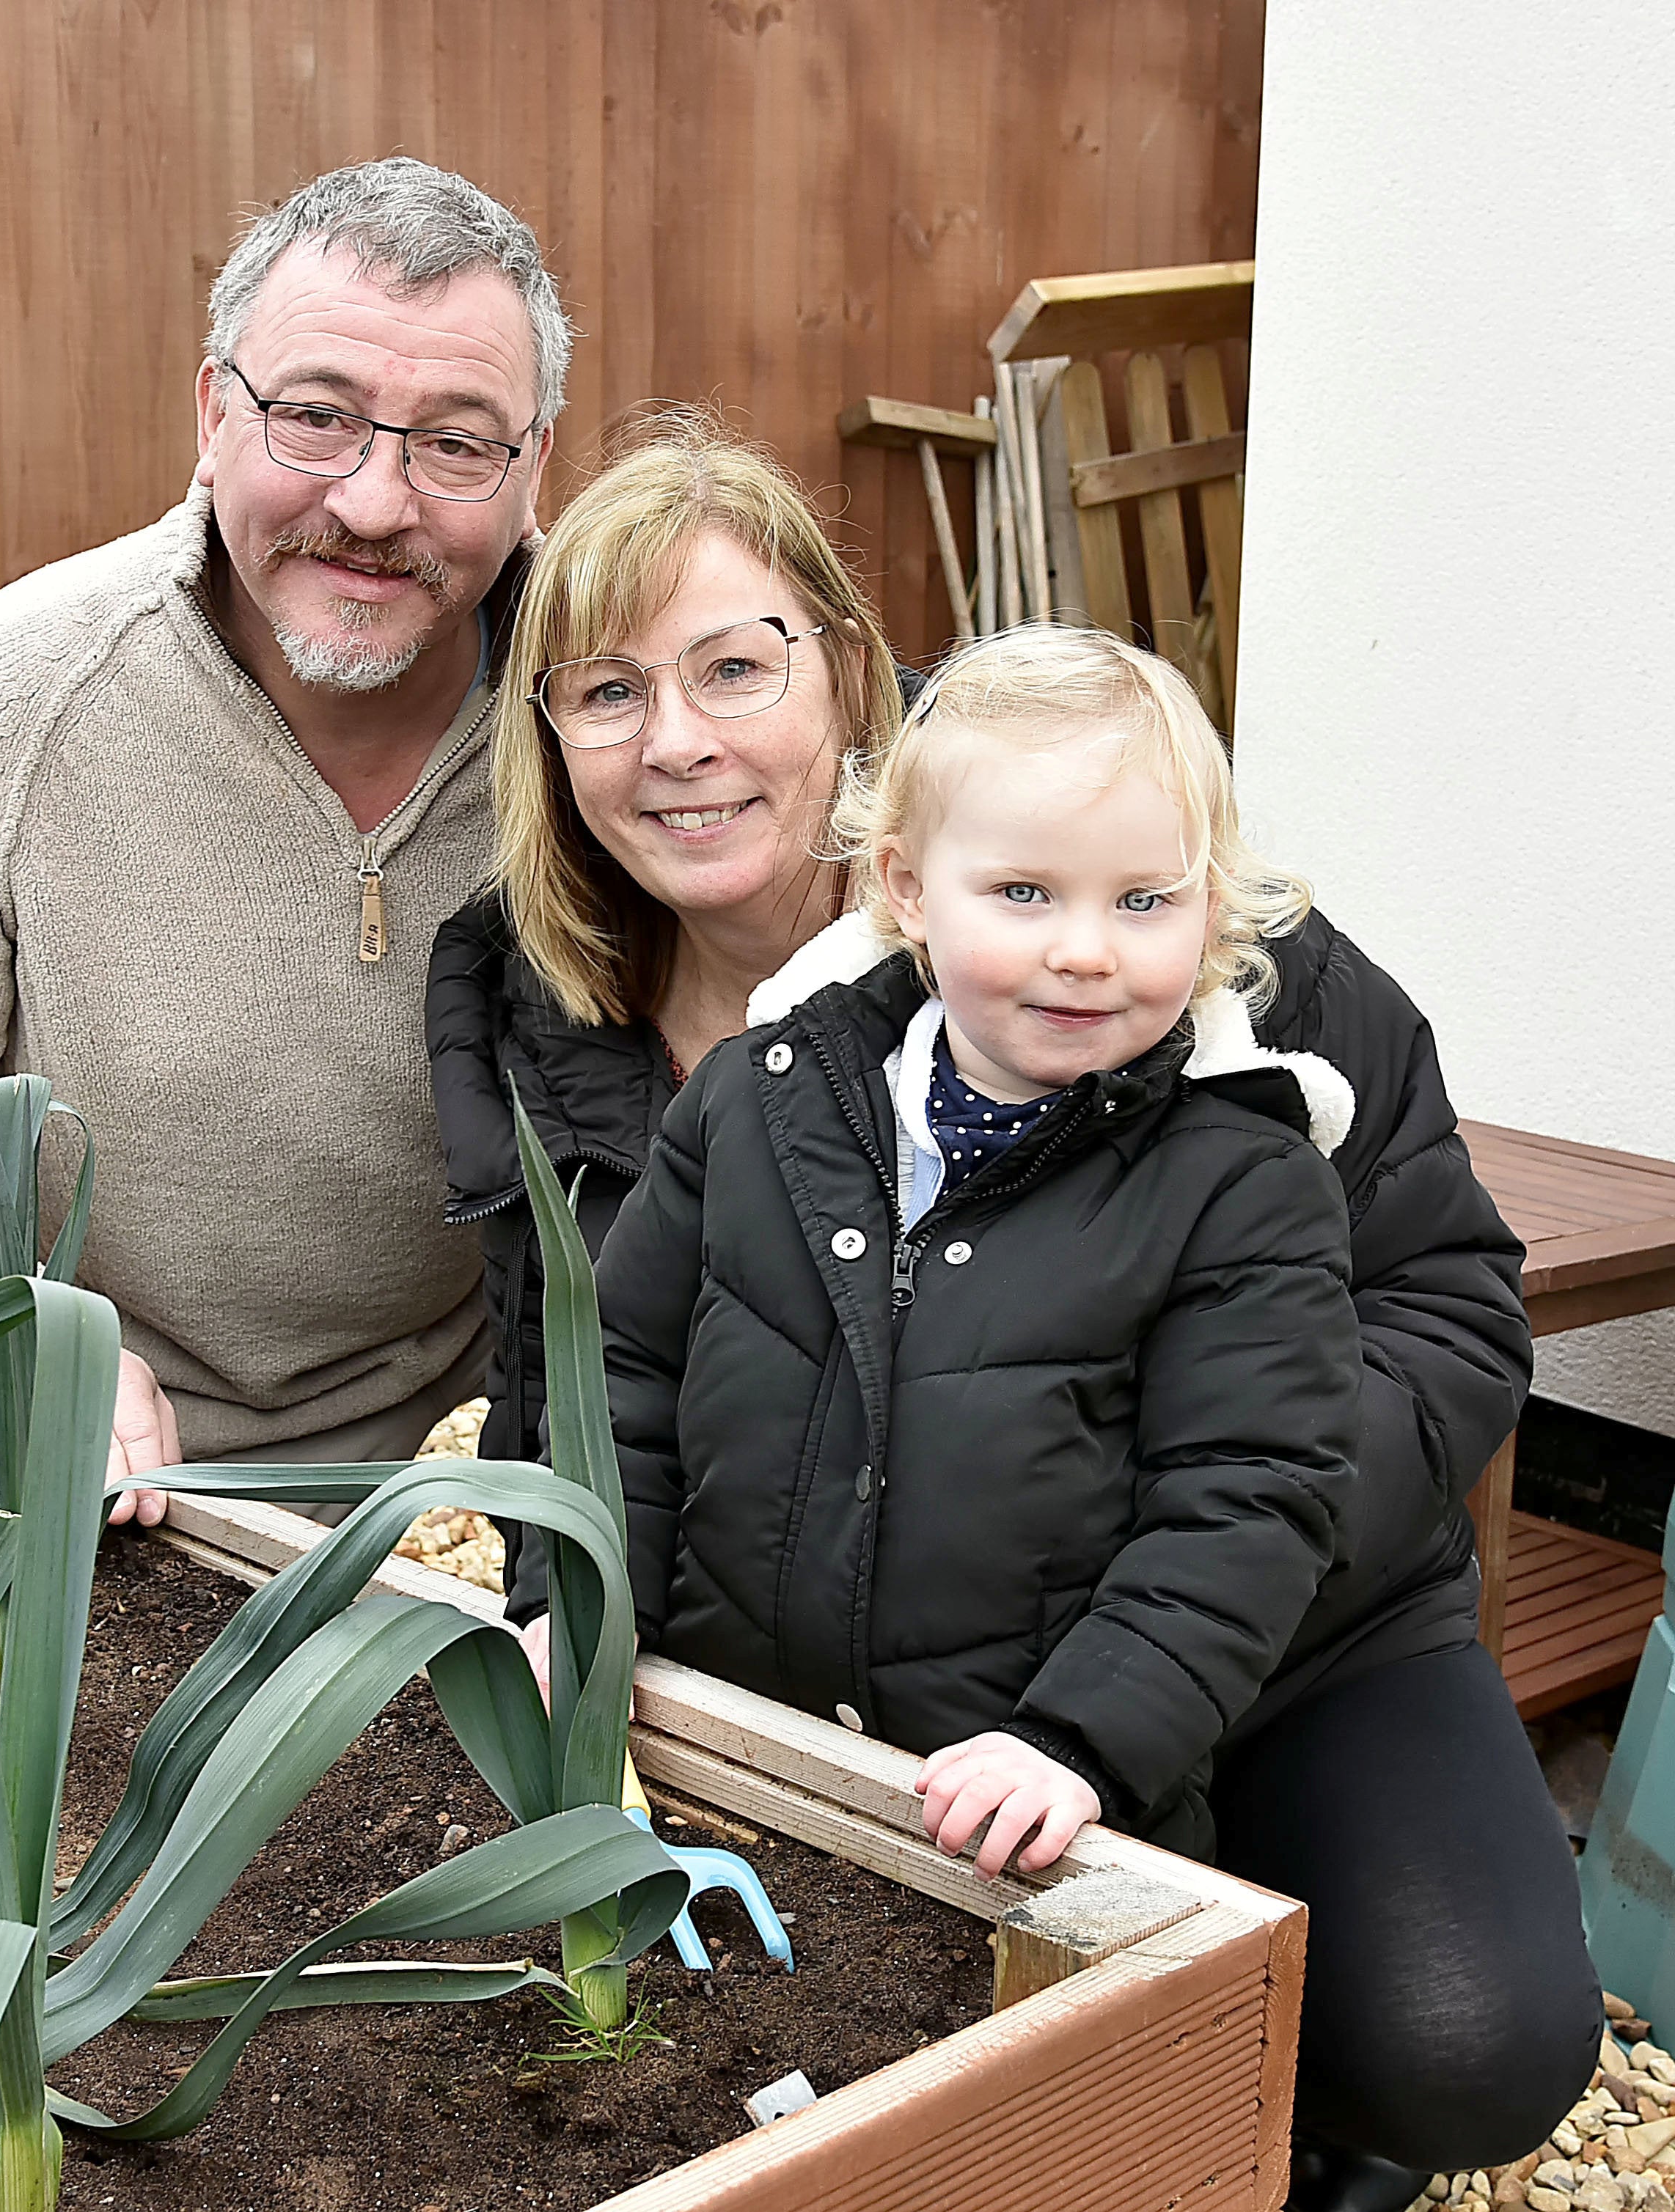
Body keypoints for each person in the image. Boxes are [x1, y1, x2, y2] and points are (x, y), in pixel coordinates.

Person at [431, 422, 1594, 2210]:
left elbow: (1442, 1315)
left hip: (1261, 1616)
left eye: (733, 666)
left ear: (843, 672)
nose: (676, 738)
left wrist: (1116, 1580)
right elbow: (586, 1375)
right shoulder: (614, 1026)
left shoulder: (1221, 1006)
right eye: (604, 692)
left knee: (1445, 2039)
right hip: (828, 1650)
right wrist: (564, 1614)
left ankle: (1274, 2128)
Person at [0, 158, 562, 1505]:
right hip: (91, 1486)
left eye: (458, 441)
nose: (371, 503)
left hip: (482, 1494)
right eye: (315, 416)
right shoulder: (8, 697)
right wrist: (5, 1335)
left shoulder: (606, 714)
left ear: (534, 466)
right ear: (209, 414)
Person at [599, 627, 1366, 1873]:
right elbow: (620, 1378)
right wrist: (582, 1606)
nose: (1085, 946)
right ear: (906, 887)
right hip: (719, 1765)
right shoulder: (756, 1104)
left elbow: (1247, 1496)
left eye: (1144, 899)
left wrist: (1081, 1740)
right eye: (1025, 892)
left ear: (1210, 907)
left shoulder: (1244, 1185)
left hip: (1020, 1821)